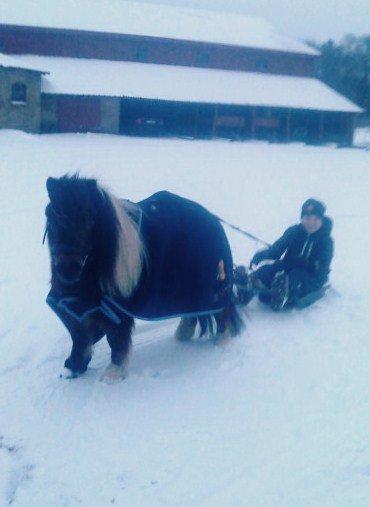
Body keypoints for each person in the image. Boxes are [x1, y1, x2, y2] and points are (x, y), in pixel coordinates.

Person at [247, 198, 334, 311]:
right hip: (288, 265)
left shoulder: (326, 241)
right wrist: (259, 257)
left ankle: (283, 293)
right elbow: (276, 250)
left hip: (310, 274)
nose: (311, 223)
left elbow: (321, 272)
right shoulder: (294, 231)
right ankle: (250, 284)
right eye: (307, 218)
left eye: (316, 219)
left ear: (321, 220)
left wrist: (316, 282)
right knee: (270, 269)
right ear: (302, 218)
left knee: (294, 277)